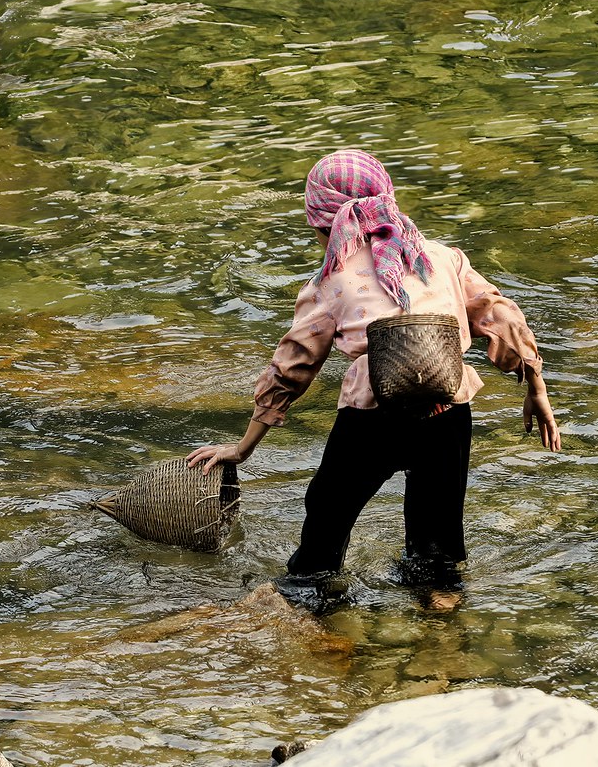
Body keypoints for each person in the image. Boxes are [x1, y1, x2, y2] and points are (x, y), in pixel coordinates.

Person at [187, 149, 561, 585]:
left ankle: (318, 610)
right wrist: (536, 386)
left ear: (321, 220)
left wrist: (244, 447)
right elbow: (501, 316)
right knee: (436, 538)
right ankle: (443, 623)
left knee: (326, 518)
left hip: (372, 419)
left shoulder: (329, 281)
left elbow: (292, 365)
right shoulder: (442, 259)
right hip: (448, 411)